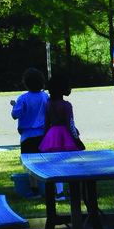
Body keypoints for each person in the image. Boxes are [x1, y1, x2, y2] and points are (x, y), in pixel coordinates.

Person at [39, 70, 84, 200]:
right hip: (65, 136)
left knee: (56, 164)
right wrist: (76, 139)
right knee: (70, 163)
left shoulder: (49, 103)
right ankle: (72, 190)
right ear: (62, 88)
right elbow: (69, 123)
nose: (70, 88)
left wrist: (45, 138)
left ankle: (59, 192)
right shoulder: (66, 105)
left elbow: (47, 123)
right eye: (68, 86)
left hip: (52, 136)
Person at [10, 67, 48, 197]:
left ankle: (34, 189)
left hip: (28, 135)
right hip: (43, 134)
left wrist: (14, 105)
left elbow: (15, 115)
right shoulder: (45, 96)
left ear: (25, 83)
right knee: (44, 161)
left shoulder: (23, 98)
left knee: (31, 164)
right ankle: (48, 187)